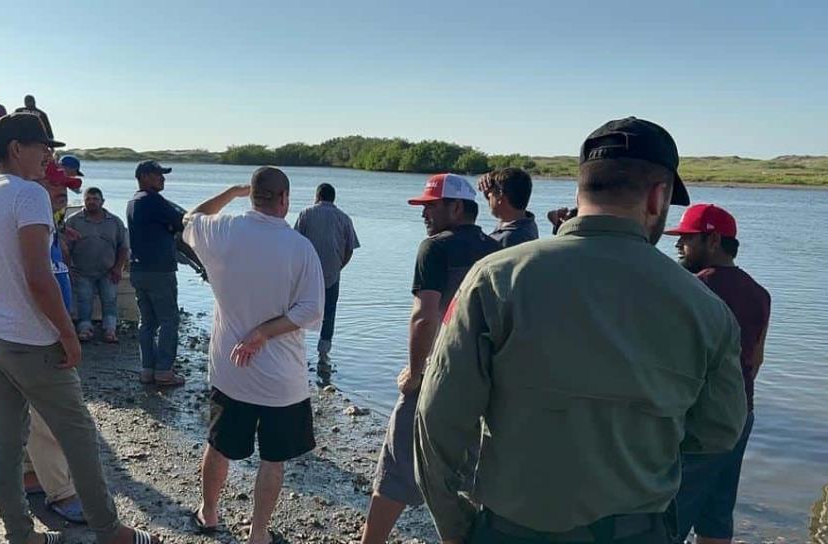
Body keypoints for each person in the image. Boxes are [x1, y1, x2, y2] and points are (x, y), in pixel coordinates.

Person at [413, 117, 747, 544]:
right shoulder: (707, 309)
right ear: (658, 197)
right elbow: (719, 430)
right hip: (637, 532)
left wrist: (458, 529)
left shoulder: (495, 279)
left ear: (580, 191)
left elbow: (438, 419)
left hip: (512, 529)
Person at [0, 112, 159, 544]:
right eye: (43, 146)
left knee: (7, 441)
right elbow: (38, 275)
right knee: (79, 437)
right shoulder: (28, 195)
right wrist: (67, 333)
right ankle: (110, 532)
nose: (49, 154)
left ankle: (21, 537)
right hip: (31, 342)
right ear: (16, 148)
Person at [182, 166, 324, 544]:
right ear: (284, 199)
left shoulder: (221, 230)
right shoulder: (299, 247)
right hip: (282, 380)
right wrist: (263, 333)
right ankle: (258, 533)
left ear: (252, 196)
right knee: (272, 458)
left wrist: (230, 192)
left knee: (218, 445)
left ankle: (209, 513)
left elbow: (189, 218)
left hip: (231, 370)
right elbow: (311, 311)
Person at [361, 173, 499, 544]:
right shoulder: (497, 250)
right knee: (469, 477)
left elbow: (425, 316)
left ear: (457, 207)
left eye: (431, 206)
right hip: (484, 383)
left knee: (397, 467)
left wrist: (416, 374)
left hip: (438, 376)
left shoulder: (435, 247)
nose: (424, 214)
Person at [666, 204, 771, 544]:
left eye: (686, 239)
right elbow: (756, 360)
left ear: (713, 240)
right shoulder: (760, 293)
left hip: (700, 422)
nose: (679, 246)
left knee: (669, 518)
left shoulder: (693, 288)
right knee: (716, 516)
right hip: (742, 414)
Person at [19, 159, 88, 525]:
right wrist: (64, 333)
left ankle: (31, 474)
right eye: (52, 185)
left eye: (65, 187)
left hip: (47, 329)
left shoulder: (50, 229)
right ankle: (61, 492)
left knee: (32, 412)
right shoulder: (30, 229)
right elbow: (37, 283)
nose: (62, 192)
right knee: (53, 416)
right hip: (42, 334)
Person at [126, 160, 186, 386]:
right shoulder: (152, 200)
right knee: (169, 319)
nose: (163, 178)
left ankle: (147, 369)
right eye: (158, 174)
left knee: (148, 321)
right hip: (159, 270)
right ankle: (164, 371)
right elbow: (181, 222)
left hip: (139, 269)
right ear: (144, 176)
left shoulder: (133, 201)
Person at [293, 183, 360, 358]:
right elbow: (350, 249)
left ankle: (295, 345)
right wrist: (339, 267)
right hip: (332, 273)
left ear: (317, 196)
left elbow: (296, 244)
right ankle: (323, 353)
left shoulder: (306, 214)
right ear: (333, 198)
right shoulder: (344, 218)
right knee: (329, 313)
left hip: (308, 274)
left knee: (299, 308)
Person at [66, 187, 128, 343]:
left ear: (102, 202)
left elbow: (123, 247)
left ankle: (110, 330)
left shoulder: (115, 221)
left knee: (109, 300)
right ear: (84, 201)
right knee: (84, 300)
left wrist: (118, 268)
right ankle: (85, 329)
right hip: (81, 270)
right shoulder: (73, 220)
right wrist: (67, 268)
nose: (91, 202)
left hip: (108, 271)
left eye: (95, 199)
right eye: (88, 199)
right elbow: (64, 247)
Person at [476, 167, 538, 248]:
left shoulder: (509, 239)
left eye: (490, 194)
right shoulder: (527, 223)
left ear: (500, 196)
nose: (488, 196)